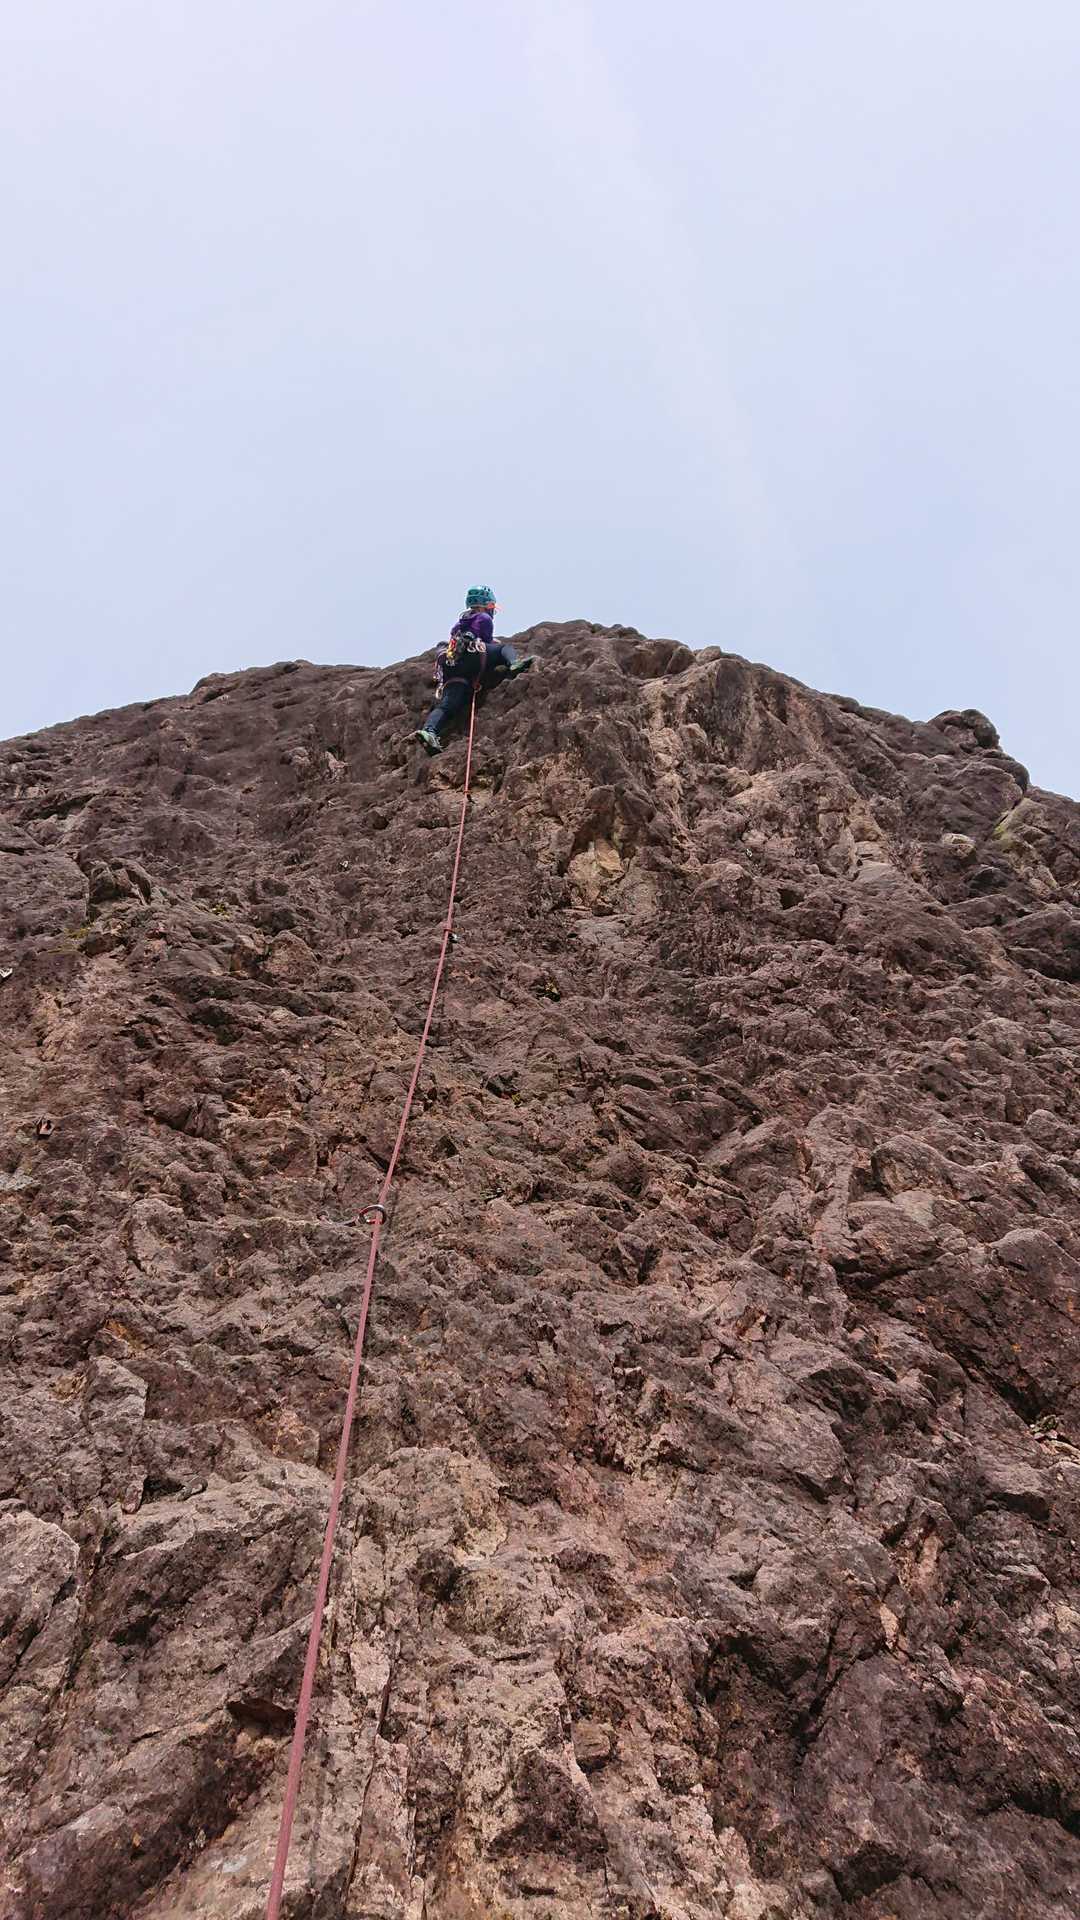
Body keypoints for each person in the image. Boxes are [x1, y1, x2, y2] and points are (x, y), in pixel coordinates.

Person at [414, 587, 535, 755]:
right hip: (473, 656)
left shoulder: (459, 624)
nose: (493, 611)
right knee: (503, 648)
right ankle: (514, 663)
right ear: (486, 605)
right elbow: (484, 640)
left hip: (453, 667)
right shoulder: (484, 618)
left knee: (448, 705)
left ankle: (430, 731)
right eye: (492, 607)